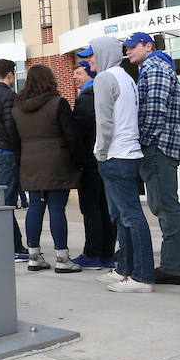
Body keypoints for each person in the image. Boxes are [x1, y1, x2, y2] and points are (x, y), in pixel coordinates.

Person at [87, 36, 154, 293]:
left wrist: (100, 153)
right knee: (123, 217)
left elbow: (105, 122)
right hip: (127, 155)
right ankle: (126, 270)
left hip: (115, 156)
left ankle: (142, 277)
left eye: (92, 54)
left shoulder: (104, 79)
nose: (89, 60)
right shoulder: (126, 76)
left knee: (131, 218)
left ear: (104, 54)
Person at [123, 31, 180, 285]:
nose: (128, 51)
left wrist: (145, 140)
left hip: (159, 147)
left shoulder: (155, 67)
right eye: (126, 48)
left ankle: (173, 268)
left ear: (148, 46)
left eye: (132, 47)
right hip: (160, 146)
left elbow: (155, 109)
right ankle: (177, 264)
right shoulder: (153, 67)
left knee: (164, 206)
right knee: (163, 205)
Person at [12, 65, 82, 273]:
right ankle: (62, 257)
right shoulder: (57, 103)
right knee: (57, 209)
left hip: (30, 162)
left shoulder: (17, 108)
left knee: (35, 206)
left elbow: (14, 140)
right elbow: (71, 135)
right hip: (57, 161)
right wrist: (80, 160)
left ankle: (34, 255)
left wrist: (22, 161)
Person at [70, 61, 115, 270]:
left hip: (91, 160)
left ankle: (92, 255)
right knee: (105, 208)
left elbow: (79, 132)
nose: (74, 77)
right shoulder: (103, 94)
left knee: (92, 209)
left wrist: (77, 158)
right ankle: (106, 254)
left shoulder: (87, 98)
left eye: (78, 73)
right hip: (105, 158)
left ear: (90, 74)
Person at [0, 60, 26, 260]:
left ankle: (10, 244)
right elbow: (12, 127)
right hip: (6, 155)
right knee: (7, 203)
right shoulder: (9, 96)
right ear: (11, 74)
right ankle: (13, 246)